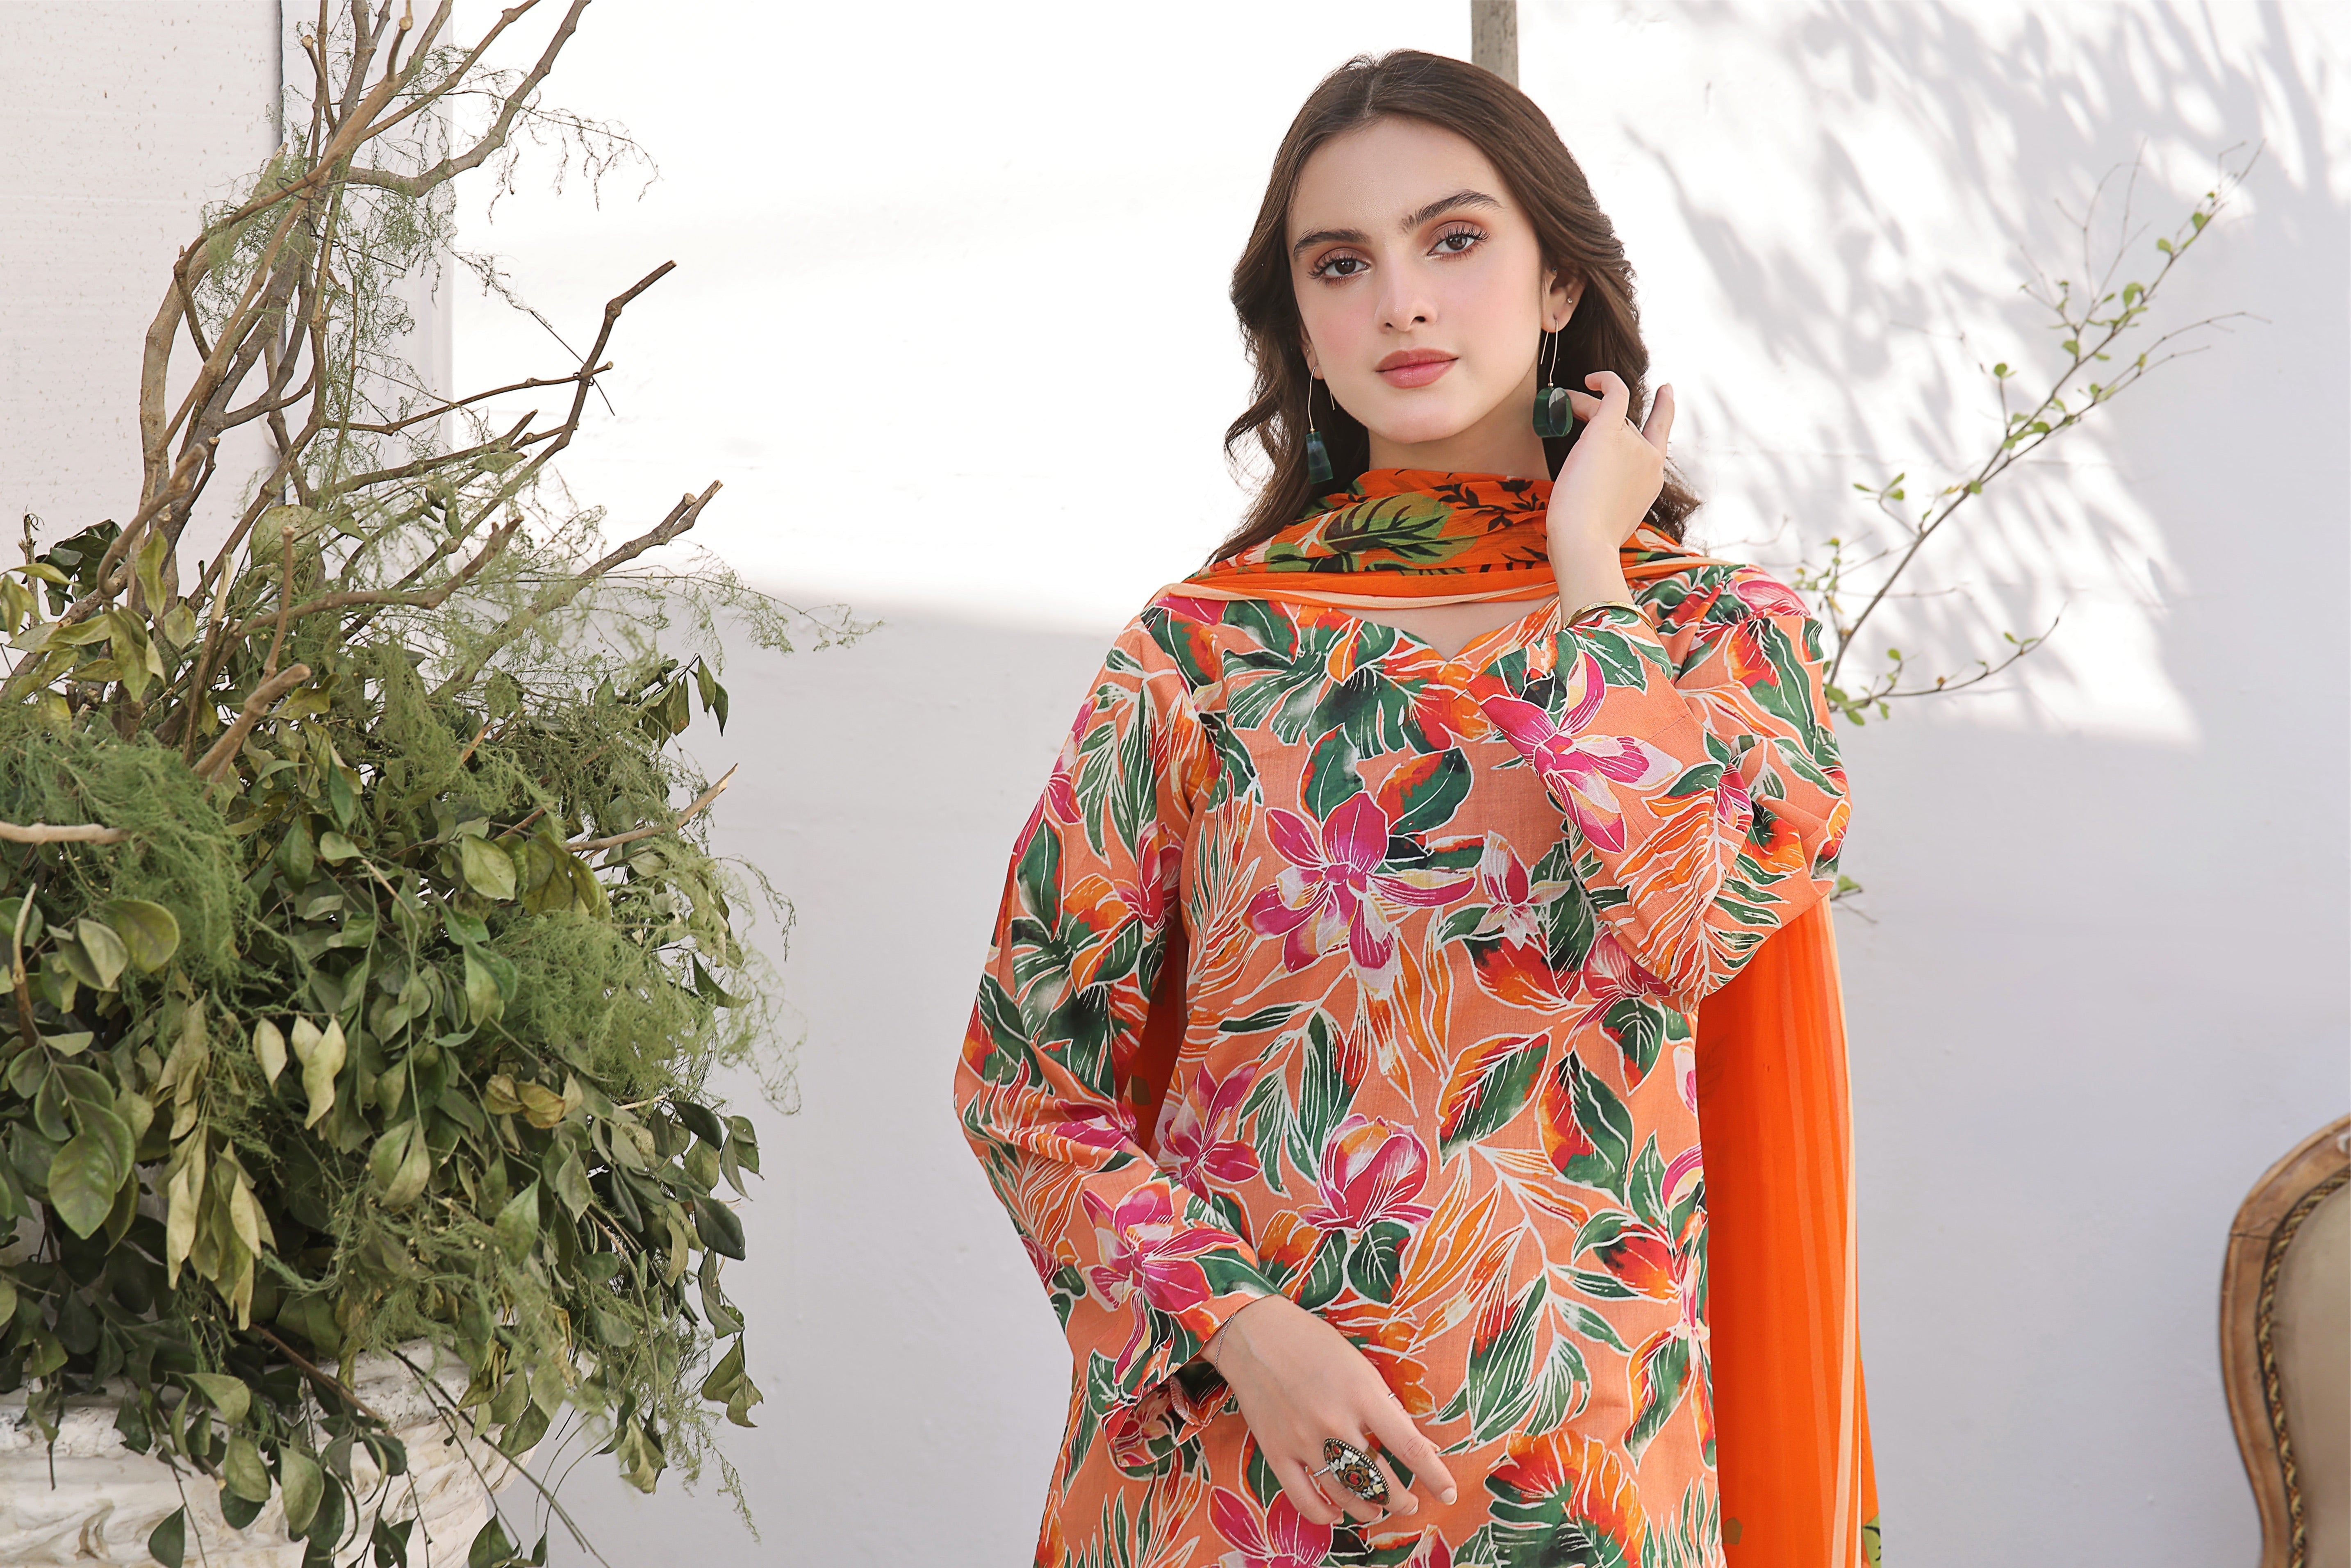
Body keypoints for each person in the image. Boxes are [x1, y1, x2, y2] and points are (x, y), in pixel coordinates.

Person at [955, 50, 1880, 1568]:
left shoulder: (1715, 639)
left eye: (1453, 240)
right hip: (1238, 1480)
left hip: (1581, 1487)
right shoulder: (1204, 654)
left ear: (1560, 279)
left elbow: (1697, 921)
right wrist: (1241, 1329)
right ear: (1300, 324)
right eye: (1342, 263)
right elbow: (1026, 1087)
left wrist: (1593, 573)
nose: (1401, 302)